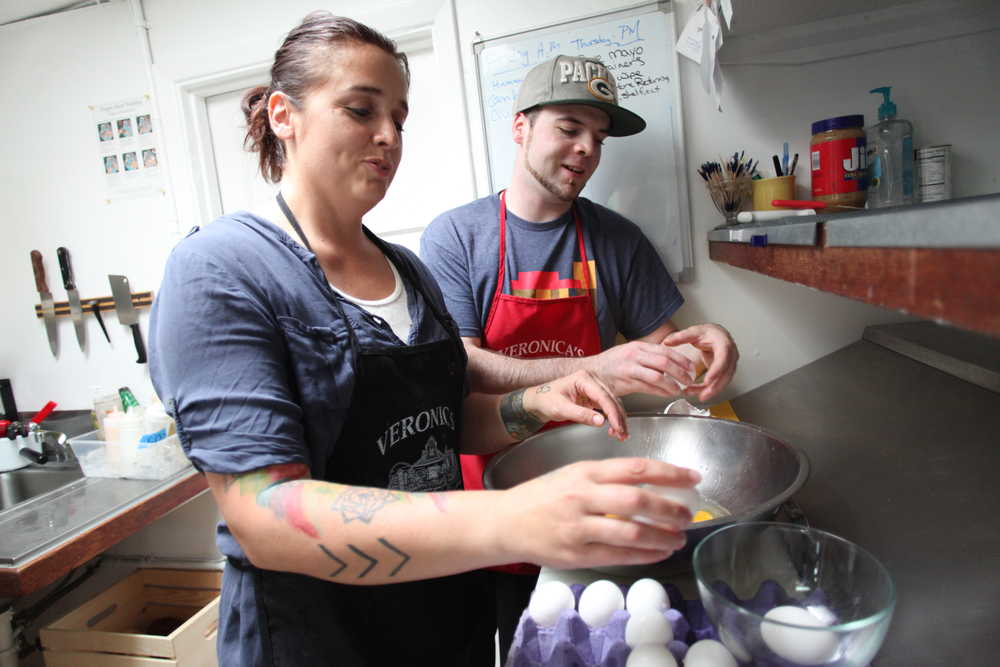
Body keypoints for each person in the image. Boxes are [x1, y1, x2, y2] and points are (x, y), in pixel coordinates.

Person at [149, 15, 701, 666]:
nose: (388, 137)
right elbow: (264, 511)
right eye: (361, 109)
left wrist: (537, 404)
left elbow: (437, 421)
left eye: (400, 119)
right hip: (323, 640)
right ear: (282, 116)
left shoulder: (405, 270)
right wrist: (515, 519)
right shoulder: (221, 270)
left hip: (445, 623)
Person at [420, 54, 739, 658]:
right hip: (487, 497)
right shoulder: (457, 237)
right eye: (569, 127)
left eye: (597, 136)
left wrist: (709, 343)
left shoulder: (617, 240)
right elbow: (465, 364)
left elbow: (670, 361)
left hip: (589, 493)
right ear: (521, 127)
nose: (586, 149)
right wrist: (595, 366)